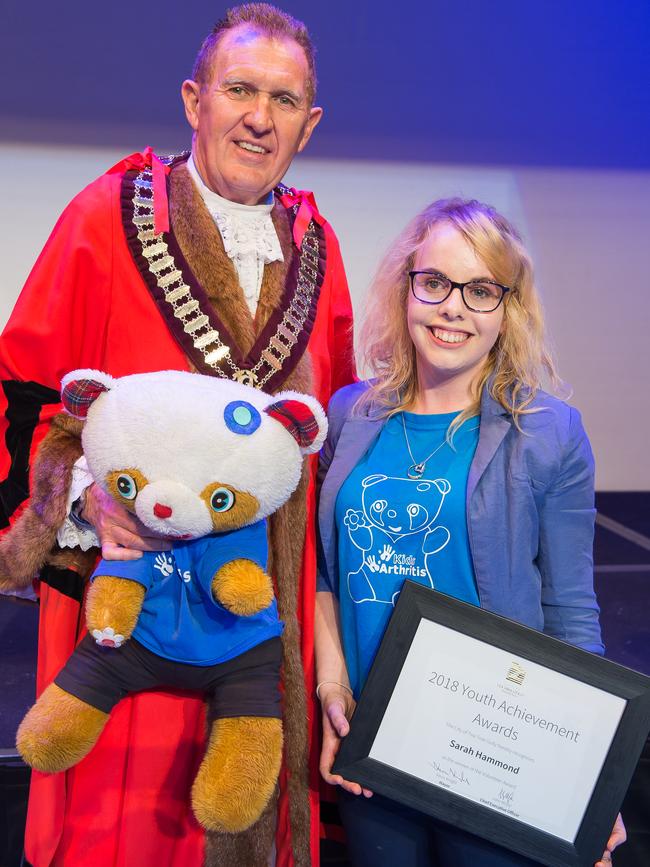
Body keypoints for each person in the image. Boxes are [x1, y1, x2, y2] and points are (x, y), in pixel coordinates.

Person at [0, 4, 355, 866]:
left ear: (309, 126)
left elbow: (329, 432)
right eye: (239, 89)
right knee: (127, 816)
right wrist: (81, 502)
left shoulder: (318, 244)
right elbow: (25, 392)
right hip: (131, 576)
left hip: (258, 595)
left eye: (283, 99)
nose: (258, 118)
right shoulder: (104, 216)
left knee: (245, 797)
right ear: (194, 99)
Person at [315, 198, 625, 866]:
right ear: (407, 289)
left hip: (493, 755)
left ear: (507, 306)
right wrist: (333, 693)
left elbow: (572, 608)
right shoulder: (351, 414)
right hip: (375, 749)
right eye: (435, 282)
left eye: (480, 290)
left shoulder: (548, 431)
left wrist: (590, 779)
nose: (452, 307)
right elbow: (324, 573)